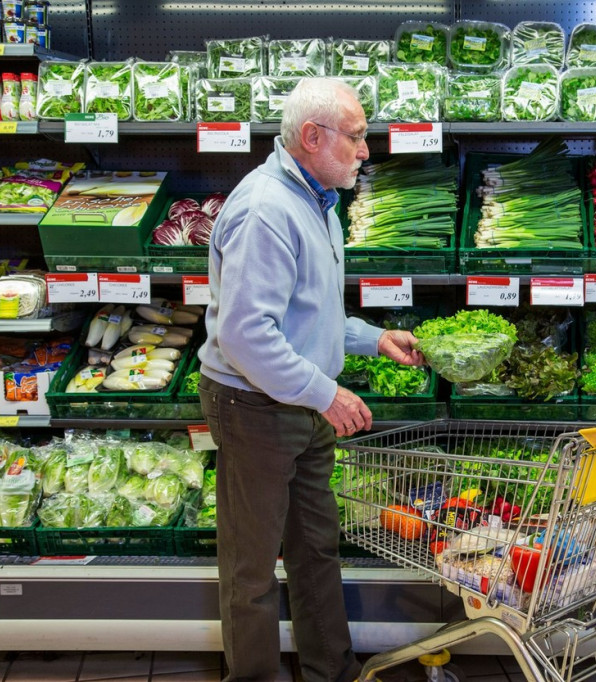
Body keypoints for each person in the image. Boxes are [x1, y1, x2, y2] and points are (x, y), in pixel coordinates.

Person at [197, 77, 423, 682]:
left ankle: (332, 670)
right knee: (251, 571)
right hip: (254, 407)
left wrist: (371, 338)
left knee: (316, 547)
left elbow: (308, 312)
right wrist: (326, 393)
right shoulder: (266, 210)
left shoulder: (317, 202)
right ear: (312, 136)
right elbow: (247, 336)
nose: (365, 150)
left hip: (299, 403)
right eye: (355, 137)